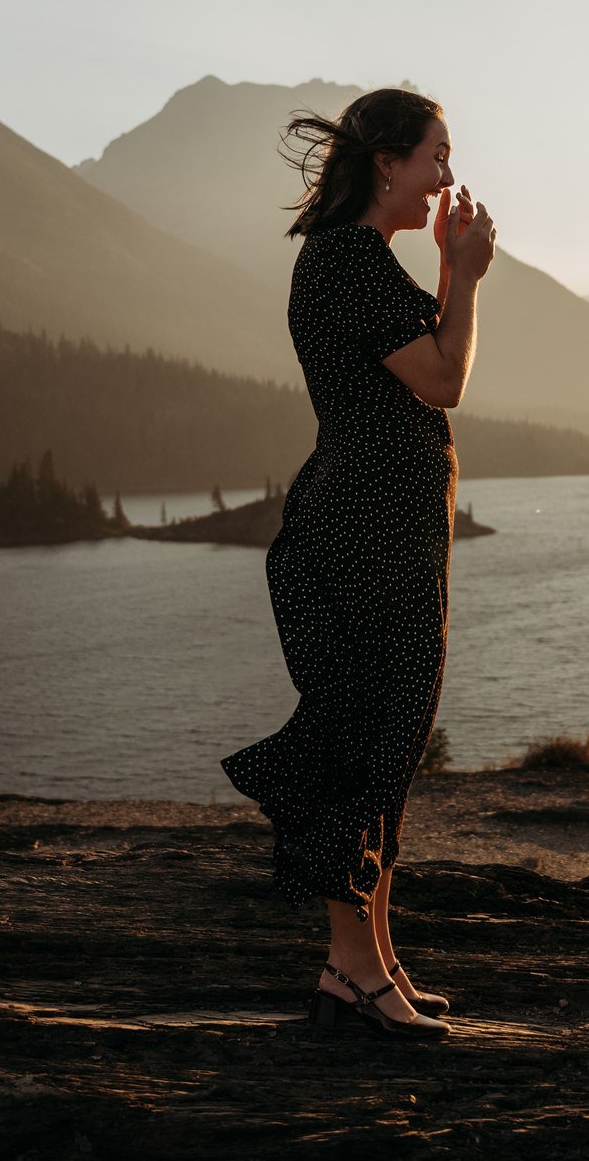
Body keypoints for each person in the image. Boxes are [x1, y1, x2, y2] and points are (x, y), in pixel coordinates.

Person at [221, 88, 495, 1041]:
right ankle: (350, 970)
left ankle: (375, 963)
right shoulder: (345, 261)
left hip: (382, 538)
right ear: (388, 162)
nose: (447, 176)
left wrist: (450, 279)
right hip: (358, 541)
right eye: (437, 155)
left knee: (387, 748)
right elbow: (445, 378)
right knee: (360, 746)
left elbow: (426, 377)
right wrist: (464, 276)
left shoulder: (361, 262)